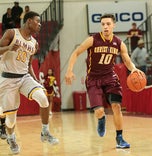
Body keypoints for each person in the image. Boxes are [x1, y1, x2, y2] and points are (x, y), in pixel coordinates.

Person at [65, 14, 141, 149]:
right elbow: (76, 53)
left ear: (113, 25)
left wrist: (134, 69)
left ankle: (120, 138)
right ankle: (101, 119)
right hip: (93, 79)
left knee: (116, 107)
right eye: (103, 24)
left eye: (108, 24)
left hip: (110, 78)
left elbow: (127, 61)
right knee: (99, 111)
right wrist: (69, 70)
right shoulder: (92, 40)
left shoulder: (119, 43)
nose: (105, 26)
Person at [0, 11, 59, 154]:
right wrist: (8, 48)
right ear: (28, 21)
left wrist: (34, 78)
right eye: (37, 21)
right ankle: (11, 137)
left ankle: (45, 132)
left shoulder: (35, 44)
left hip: (24, 77)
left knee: (43, 98)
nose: (39, 25)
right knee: (11, 120)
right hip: (8, 79)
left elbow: (28, 65)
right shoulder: (11, 33)